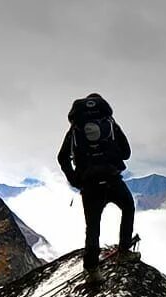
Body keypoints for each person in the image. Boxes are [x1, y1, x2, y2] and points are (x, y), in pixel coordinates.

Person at [57, 93, 140, 282]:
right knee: (128, 207)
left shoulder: (76, 129)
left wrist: (75, 180)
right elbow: (126, 153)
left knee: (93, 228)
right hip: (113, 180)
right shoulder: (110, 124)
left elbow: (62, 158)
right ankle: (124, 251)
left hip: (90, 186)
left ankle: (92, 271)